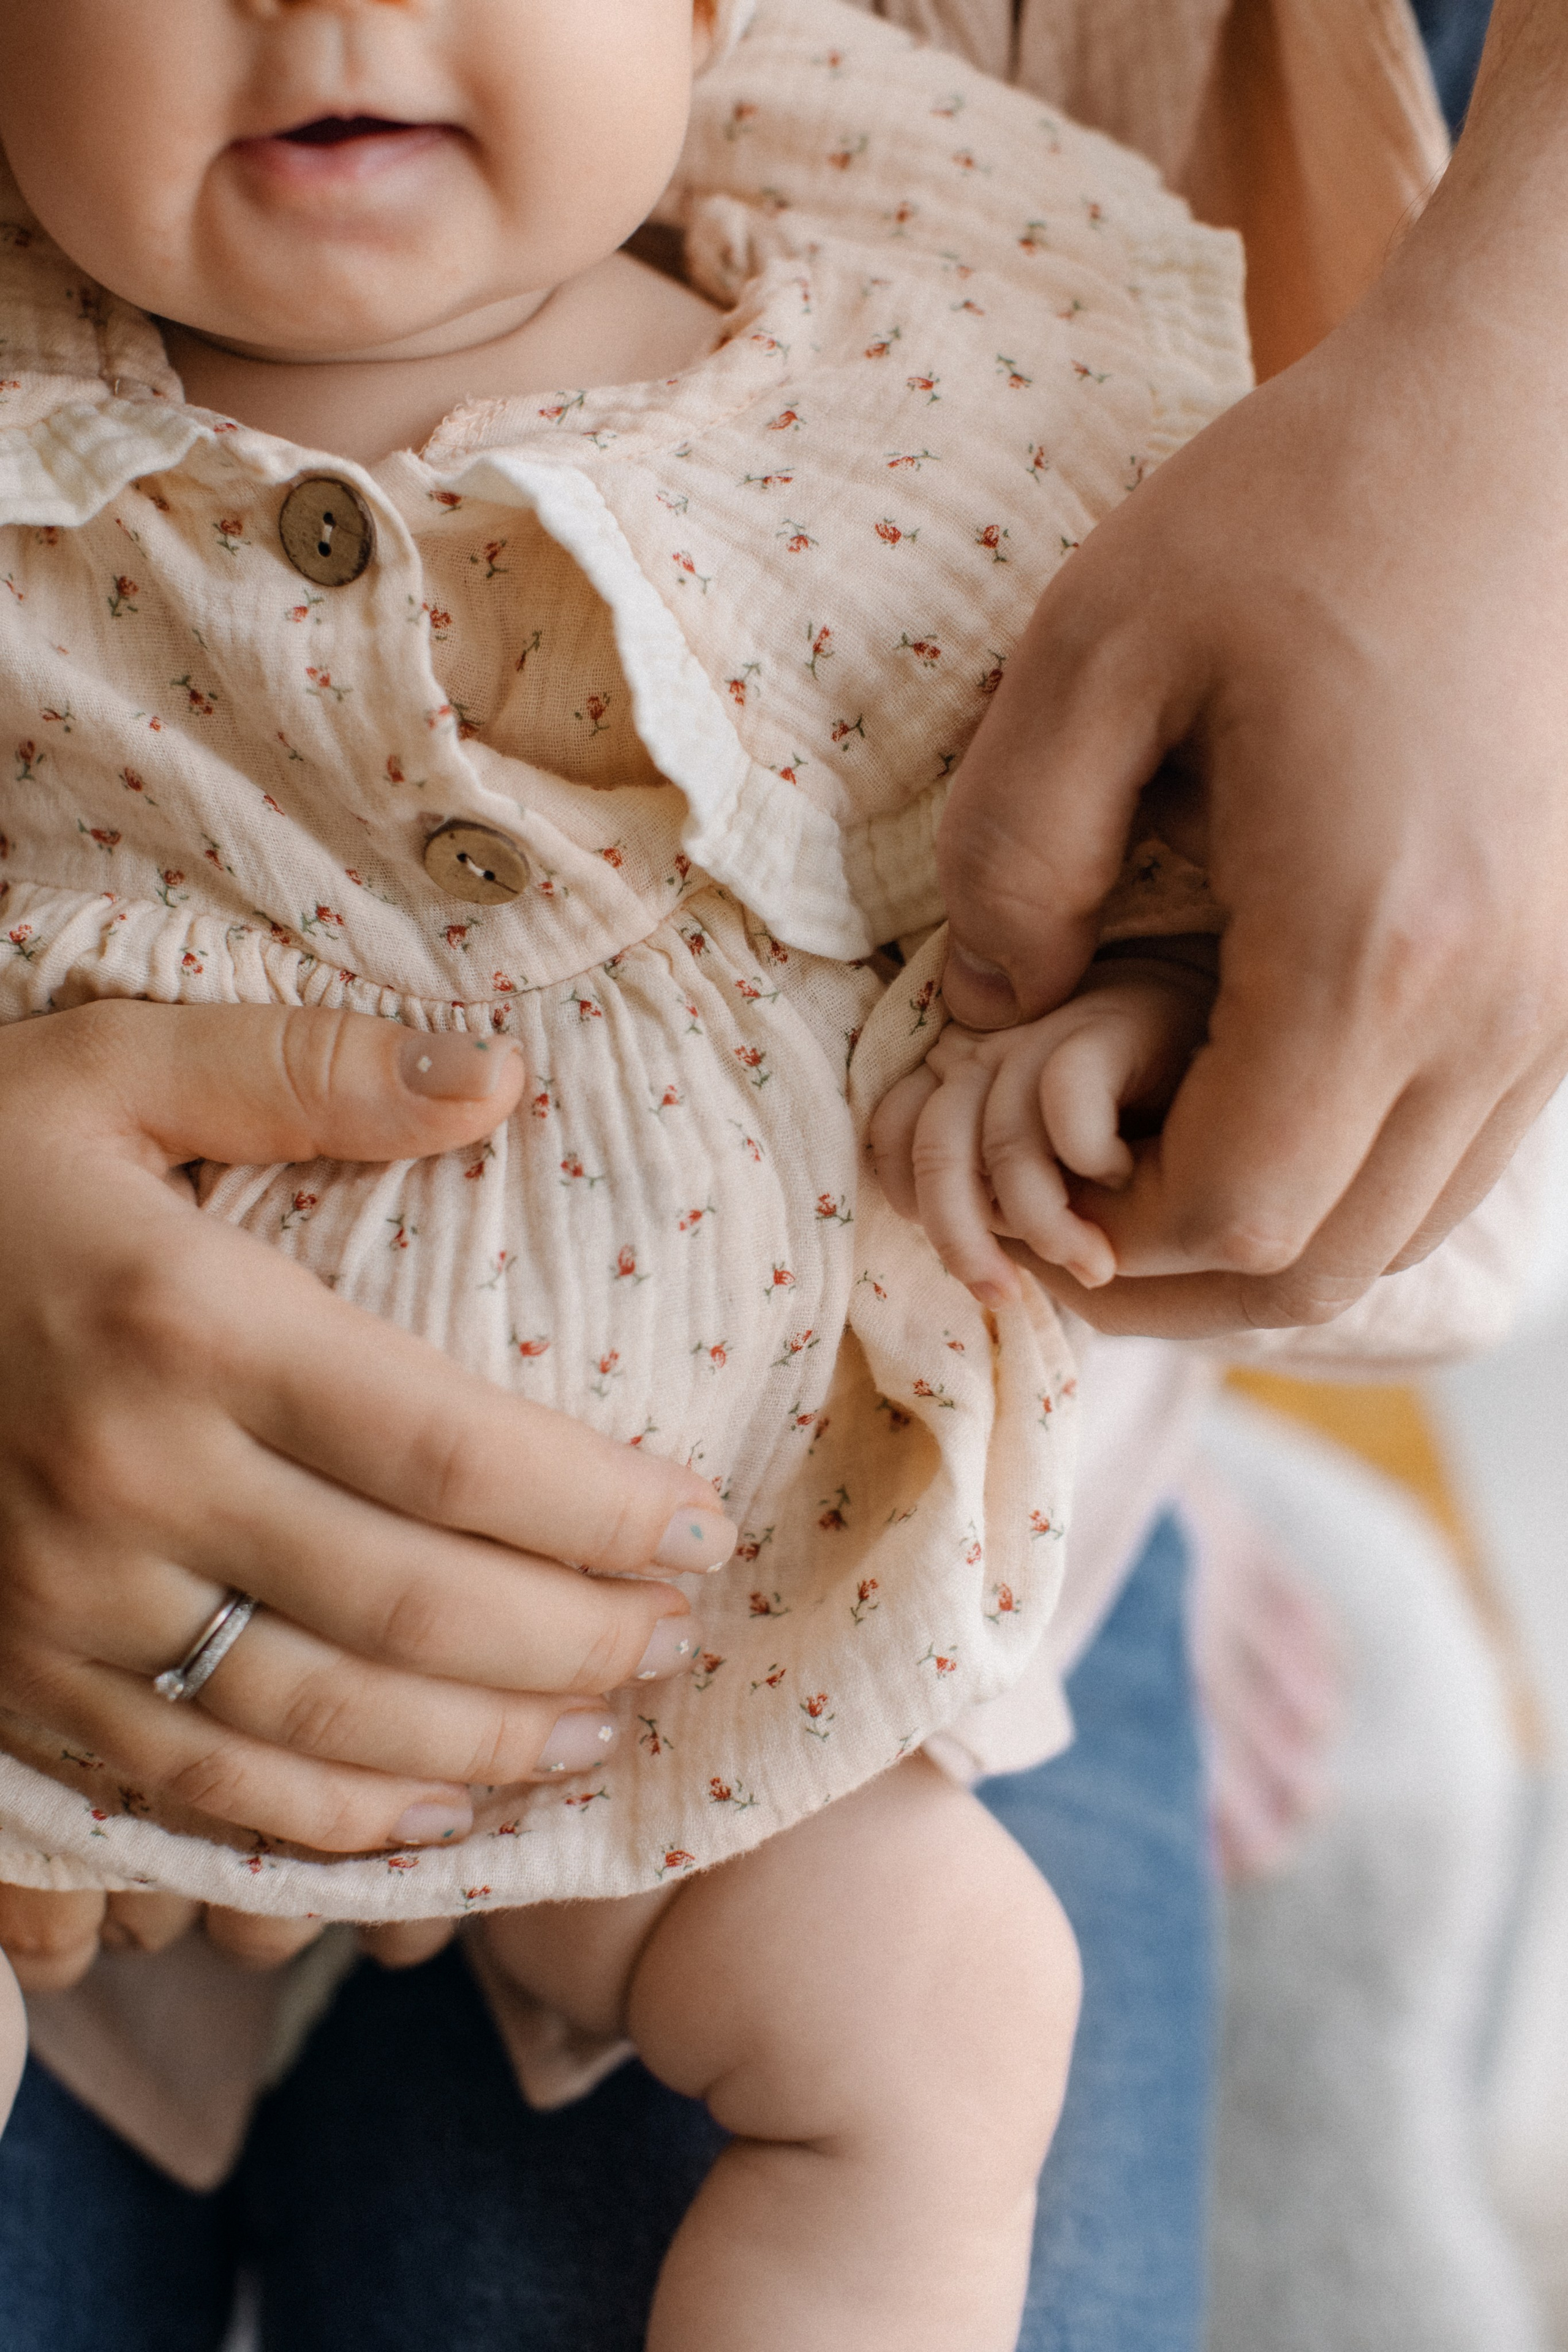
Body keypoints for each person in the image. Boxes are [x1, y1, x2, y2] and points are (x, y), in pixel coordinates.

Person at [0, 1, 1537, 2350]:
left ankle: (1144, 1499)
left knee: (947, 2020)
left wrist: (1121, 1045)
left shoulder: (912, 362)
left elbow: (1168, 875)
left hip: (710, 1649)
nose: (330, 18)